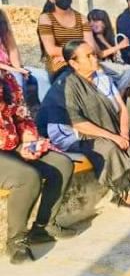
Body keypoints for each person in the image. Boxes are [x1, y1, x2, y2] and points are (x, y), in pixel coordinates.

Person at [39, 40, 130, 211]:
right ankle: (123, 195)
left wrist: (123, 133)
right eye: (88, 56)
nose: (95, 58)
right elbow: (76, 122)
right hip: (76, 136)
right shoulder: (67, 85)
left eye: (94, 54)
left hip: (108, 129)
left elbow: (122, 108)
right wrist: (114, 137)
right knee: (110, 148)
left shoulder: (103, 78)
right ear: (73, 63)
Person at [0, 65, 75, 264]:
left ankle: (43, 227)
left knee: (62, 164)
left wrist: (28, 140)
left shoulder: (7, 79)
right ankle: (15, 241)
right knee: (26, 177)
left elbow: (22, 116)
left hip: (12, 144)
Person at [37, 0, 97, 83]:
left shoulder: (81, 18)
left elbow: (91, 46)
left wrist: (71, 55)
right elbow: (51, 50)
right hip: (59, 65)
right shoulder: (46, 18)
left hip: (84, 60)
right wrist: (74, 55)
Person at [0, 8, 50, 103]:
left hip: (9, 69)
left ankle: (45, 113)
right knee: (13, 82)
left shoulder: (2, 22)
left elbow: (13, 53)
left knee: (42, 77)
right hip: (4, 69)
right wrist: (14, 69)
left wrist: (19, 69)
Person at [87, 9, 130, 96]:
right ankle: (118, 102)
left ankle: (120, 100)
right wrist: (119, 46)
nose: (92, 24)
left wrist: (102, 39)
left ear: (104, 22)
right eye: (90, 21)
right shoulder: (90, 38)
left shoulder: (108, 37)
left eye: (96, 21)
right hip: (101, 66)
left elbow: (115, 56)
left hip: (112, 68)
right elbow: (100, 54)